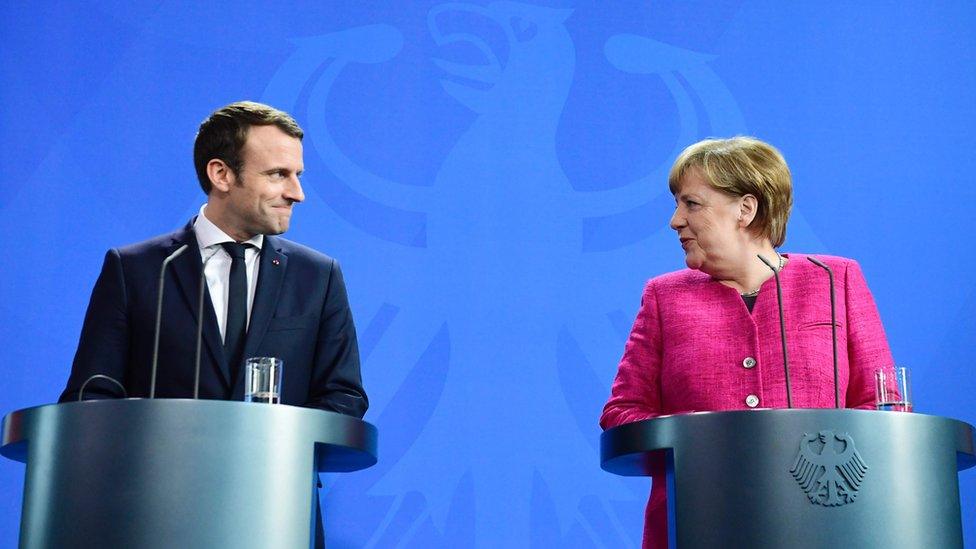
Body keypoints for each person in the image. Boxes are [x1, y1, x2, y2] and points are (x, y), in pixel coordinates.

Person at [59, 101, 367, 547]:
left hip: (275, 514)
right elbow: (90, 398)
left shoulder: (317, 277)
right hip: (153, 515)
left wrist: (268, 444)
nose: (297, 193)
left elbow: (344, 397)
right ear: (221, 174)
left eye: (298, 175)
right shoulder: (139, 270)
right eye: (279, 174)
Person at [599, 136, 894, 548]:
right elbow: (621, 413)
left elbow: (883, 407)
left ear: (746, 208)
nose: (675, 221)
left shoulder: (835, 280)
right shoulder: (664, 297)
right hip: (696, 524)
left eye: (691, 204)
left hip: (825, 526)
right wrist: (704, 440)